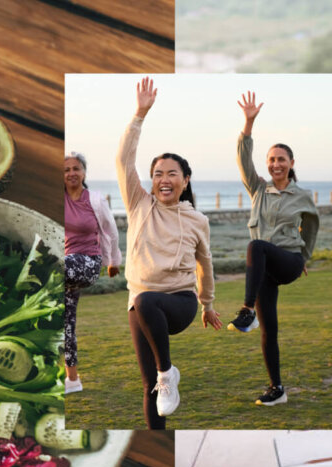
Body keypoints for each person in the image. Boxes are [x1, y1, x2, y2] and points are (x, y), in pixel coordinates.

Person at [117, 77, 222, 430]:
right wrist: (139, 115)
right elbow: (123, 160)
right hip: (140, 304)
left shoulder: (197, 220)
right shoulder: (138, 204)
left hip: (179, 303)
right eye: (158, 173)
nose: (164, 179)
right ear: (151, 181)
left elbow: (205, 264)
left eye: (172, 173)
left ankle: (168, 371)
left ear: (185, 180)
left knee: (147, 301)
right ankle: (159, 423)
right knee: (150, 388)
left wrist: (207, 304)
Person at [229, 91, 320, 407]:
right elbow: (243, 159)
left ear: (291, 164)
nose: (275, 164)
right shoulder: (258, 189)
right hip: (264, 270)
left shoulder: (302, 196)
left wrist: (304, 257)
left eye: (281, 159)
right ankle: (277, 389)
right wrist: (248, 124)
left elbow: (311, 227)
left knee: (256, 245)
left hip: (289, 261)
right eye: (271, 159)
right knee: (269, 331)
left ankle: (247, 310)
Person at [64, 151, 121, 394]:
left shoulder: (95, 200)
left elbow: (111, 231)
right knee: (66, 323)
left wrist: (113, 261)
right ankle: (73, 380)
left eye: (76, 168)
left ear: (84, 173)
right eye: (66, 170)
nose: (71, 173)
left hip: (88, 262)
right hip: (64, 266)